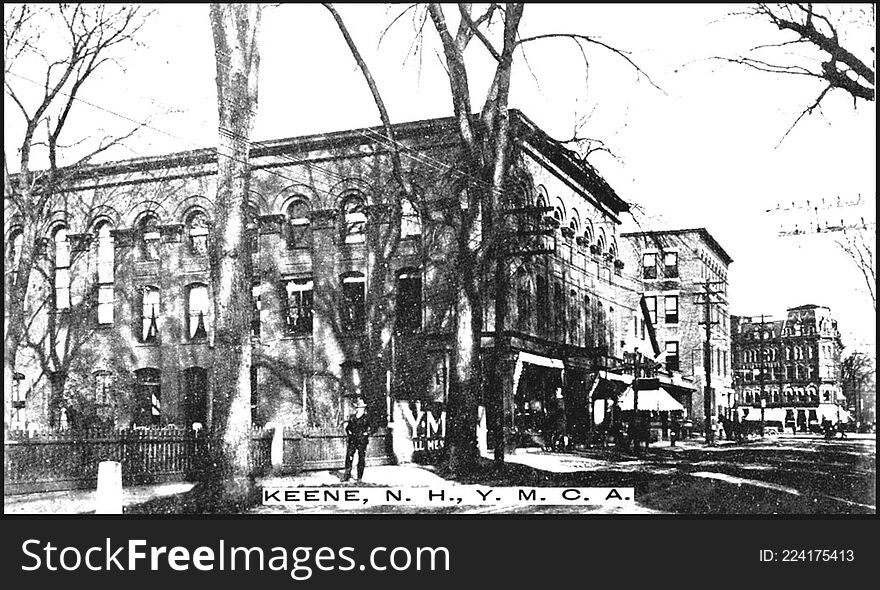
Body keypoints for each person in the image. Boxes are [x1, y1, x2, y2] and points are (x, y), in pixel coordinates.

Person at [342, 397, 373, 482]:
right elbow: (347, 428)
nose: (360, 409)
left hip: (362, 441)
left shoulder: (366, 418)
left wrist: (366, 434)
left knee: (361, 458)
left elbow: (370, 428)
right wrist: (350, 434)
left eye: (362, 408)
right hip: (352, 441)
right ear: (356, 409)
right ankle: (347, 475)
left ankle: (359, 477)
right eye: (359, 408)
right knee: (349, 457)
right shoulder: (352, 418)